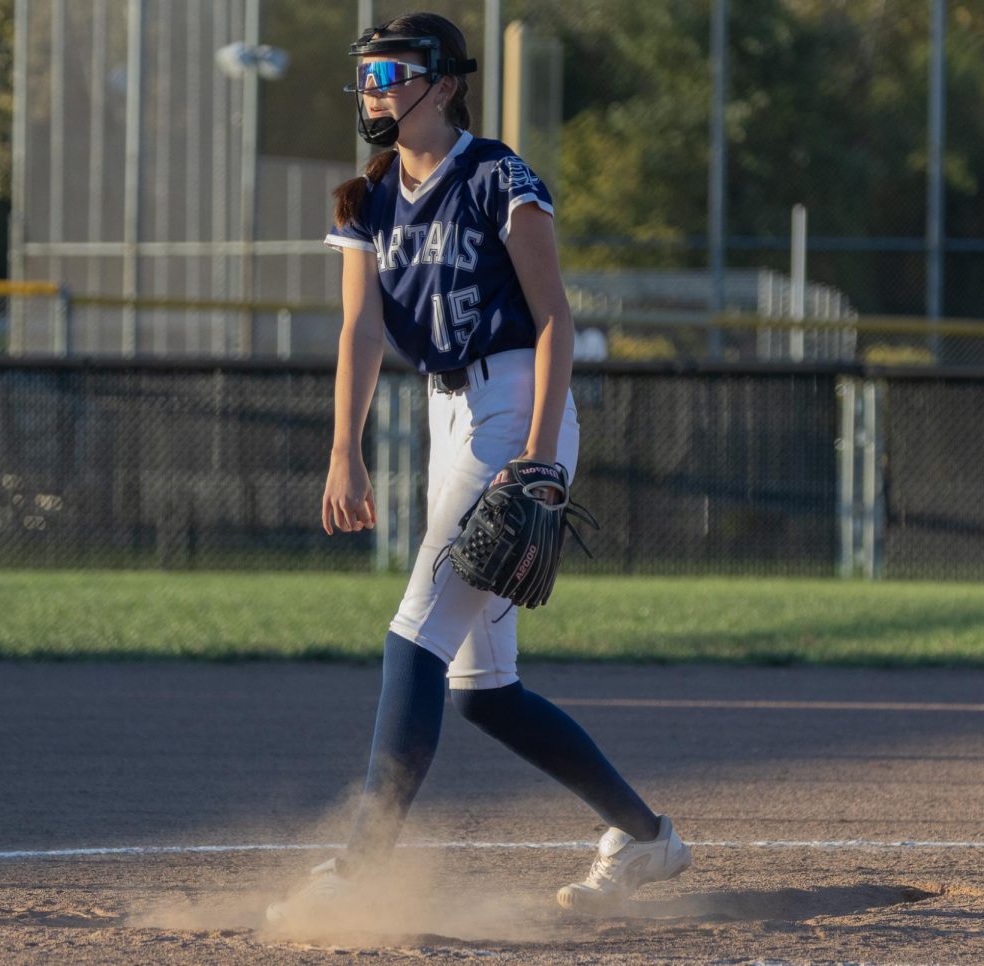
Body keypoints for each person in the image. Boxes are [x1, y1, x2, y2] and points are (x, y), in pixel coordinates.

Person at [266, 11, 690, 922]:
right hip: (444, 415)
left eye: (392, 73)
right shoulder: (367, 201)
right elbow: (362, 330)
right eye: (367, 76)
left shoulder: (500, 177)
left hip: (513, 409)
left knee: (414, 629)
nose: (374, 90)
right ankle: (646, 839)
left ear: (444, 83)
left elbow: (553, 321)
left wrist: (537, 454)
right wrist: (344, 451)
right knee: (483, 693)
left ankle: (364, 865)